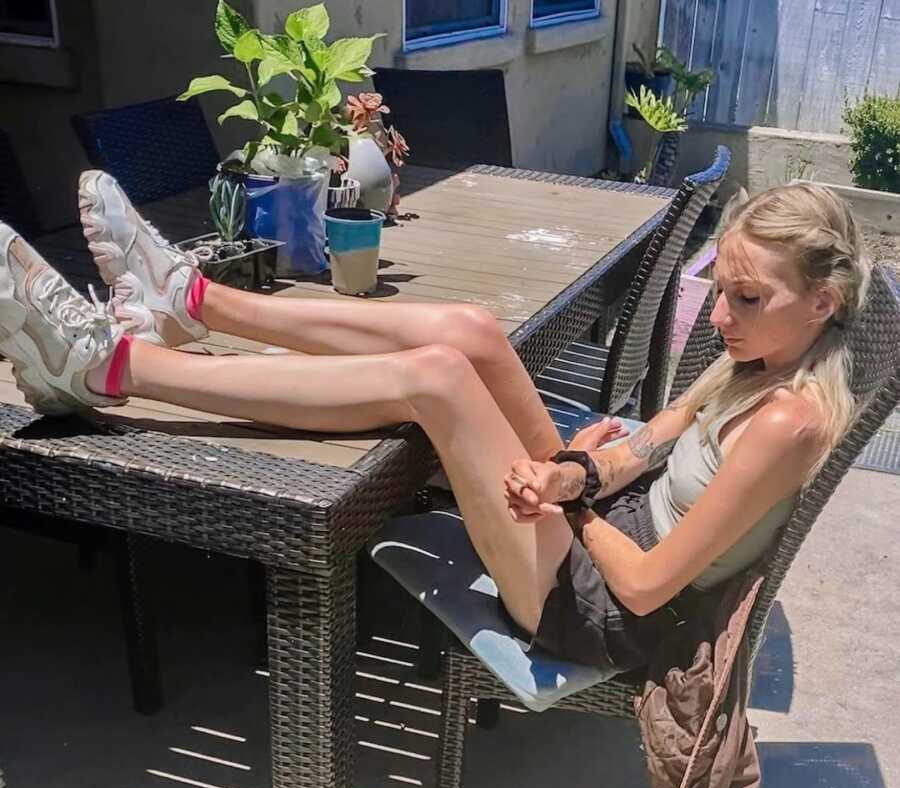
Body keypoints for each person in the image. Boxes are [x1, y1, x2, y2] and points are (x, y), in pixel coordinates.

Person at [0, 173, 870, 675]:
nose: (717, 313)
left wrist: (572, 504)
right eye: (717, 287)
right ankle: (193, 302)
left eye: (746, 297)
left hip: (602, 606)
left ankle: (111, 368)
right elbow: (650, 441)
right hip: (602, 522)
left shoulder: (789, 421)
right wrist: (578, 469)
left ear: (822, 302)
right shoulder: (755, 358)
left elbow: (644, 587)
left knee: (439, 381)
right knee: (472, 333)